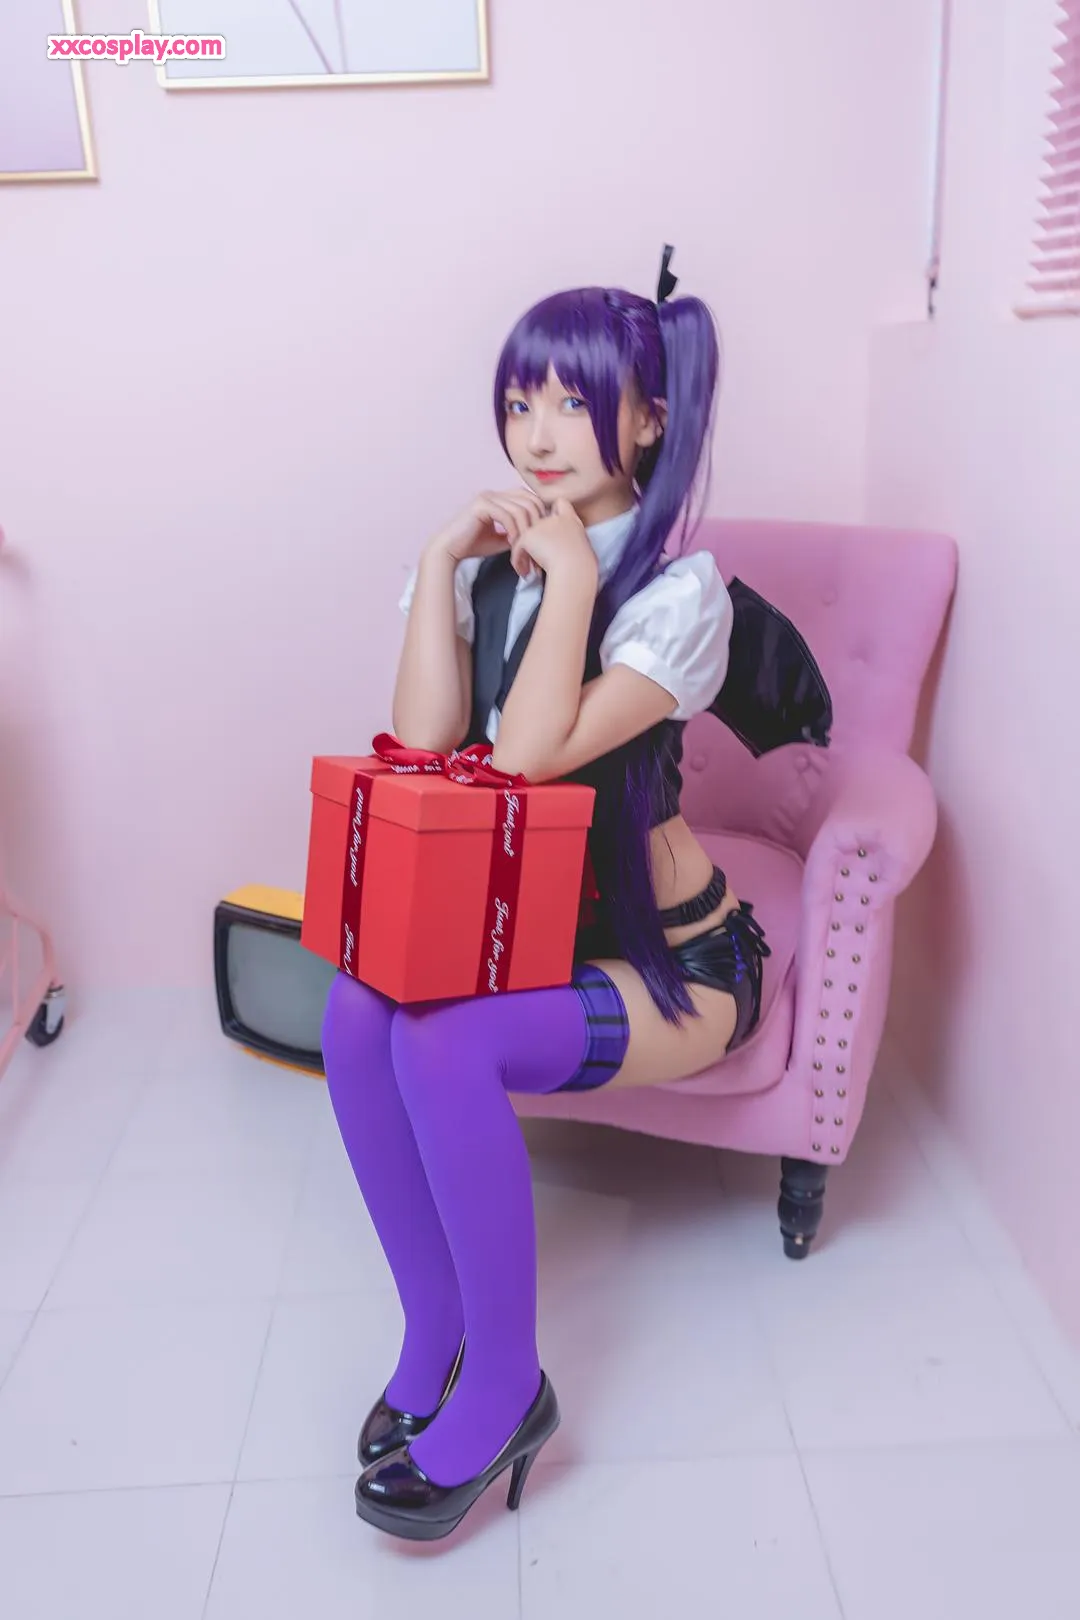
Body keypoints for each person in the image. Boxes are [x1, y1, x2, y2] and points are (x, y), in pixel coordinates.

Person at [322, 251, 771, 1543]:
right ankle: (436, 1332)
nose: (537, 433)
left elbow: (525, 758)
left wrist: (570, 578)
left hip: (681, 966)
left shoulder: (680, 594)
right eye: (520, 402)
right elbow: (422, 743)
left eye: (573, 403)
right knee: (356, 1006)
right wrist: (440, 561)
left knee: (442, 1042)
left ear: (651, 420)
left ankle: (509, 1388)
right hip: (524, 943)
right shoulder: (486, 566)